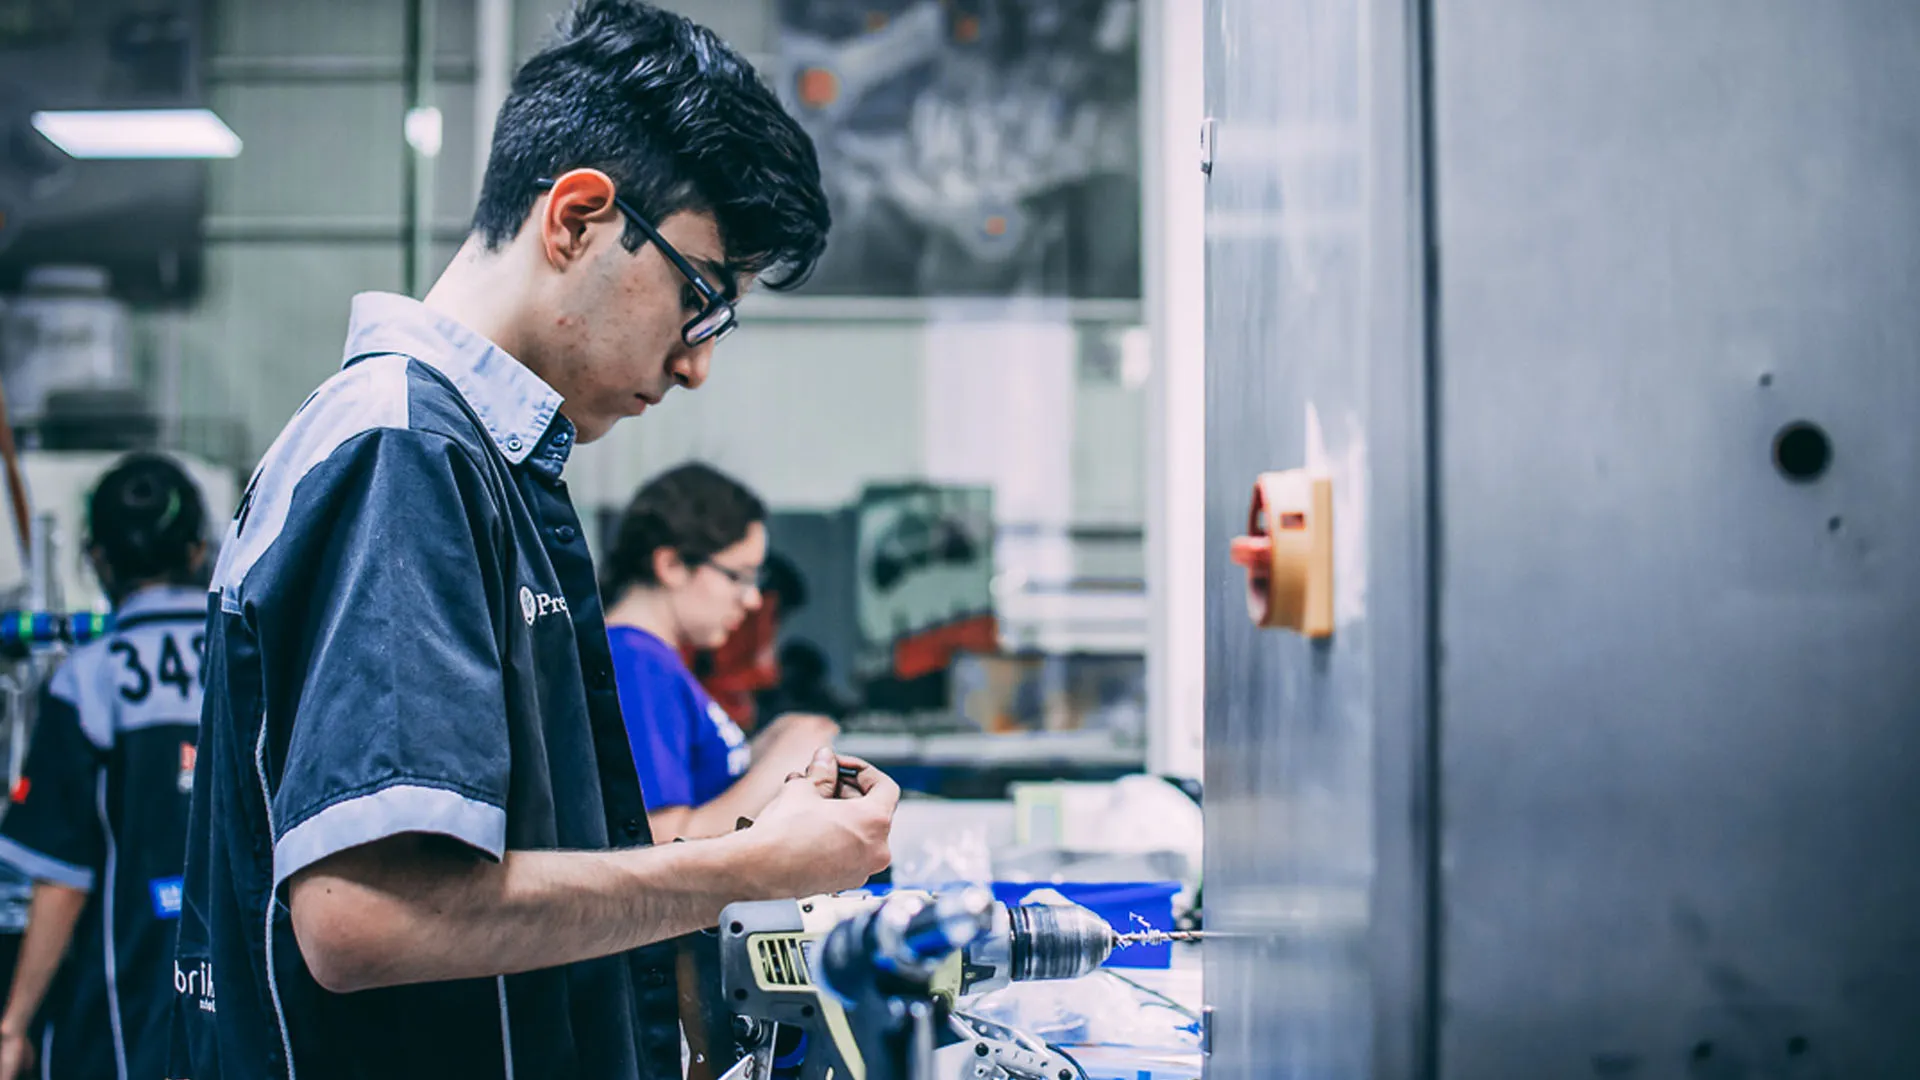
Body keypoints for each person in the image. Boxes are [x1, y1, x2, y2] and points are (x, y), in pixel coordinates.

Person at [171, 3, 898, 1078]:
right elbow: (367, 917)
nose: (697, 364)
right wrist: (745, 866)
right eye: (700, 301)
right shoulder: (405, 451)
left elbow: (519, 874)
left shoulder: (475, 460)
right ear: (576, 219)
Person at [0, 453, 210, 1080]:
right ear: (199, 551)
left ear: (98, 558)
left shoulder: (91, 681)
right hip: (248, 988)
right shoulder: (255, 659)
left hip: (125, 1004)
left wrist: (14, 1025)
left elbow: (62, 880)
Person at [602, 464, 840, 841]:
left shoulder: (654, 661)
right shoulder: (637, 663)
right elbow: (662, 845)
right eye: (738, 576)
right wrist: (782, 765)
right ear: (673, 564)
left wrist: (765, 750)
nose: (752, 599)